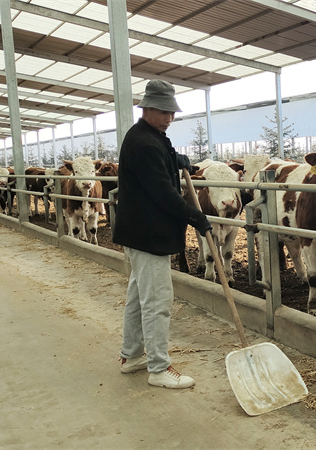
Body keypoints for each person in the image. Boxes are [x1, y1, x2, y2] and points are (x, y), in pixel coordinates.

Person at [112, 79, 212, 389]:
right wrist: (195, 215)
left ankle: (131, 356)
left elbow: (162, 159)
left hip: (140, 232)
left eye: (172, 112)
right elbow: (162, 192)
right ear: (147, 109)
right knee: (157, 301)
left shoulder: (151, 135)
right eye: (163, 111)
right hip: (148, 233)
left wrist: (178, 160)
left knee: (138, 297)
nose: (170, 118)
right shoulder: (143, 143)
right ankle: (158, 367)